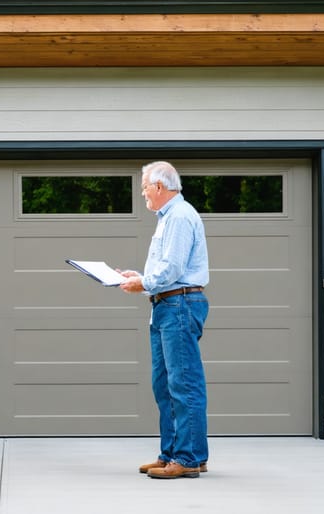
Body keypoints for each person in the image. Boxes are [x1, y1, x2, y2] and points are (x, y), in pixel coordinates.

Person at [118, 161, 210, 479]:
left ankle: (186, 458)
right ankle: (176, 453)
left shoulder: (180, 217)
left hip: (180, 305)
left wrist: (142, 283)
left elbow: (171, 270)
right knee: (165, 385)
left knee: (183, 384)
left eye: (144, 186)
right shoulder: (168, 218)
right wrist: (141, 278)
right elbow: (167, 271)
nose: (142, 192)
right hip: (167, 305)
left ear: (159, 187)